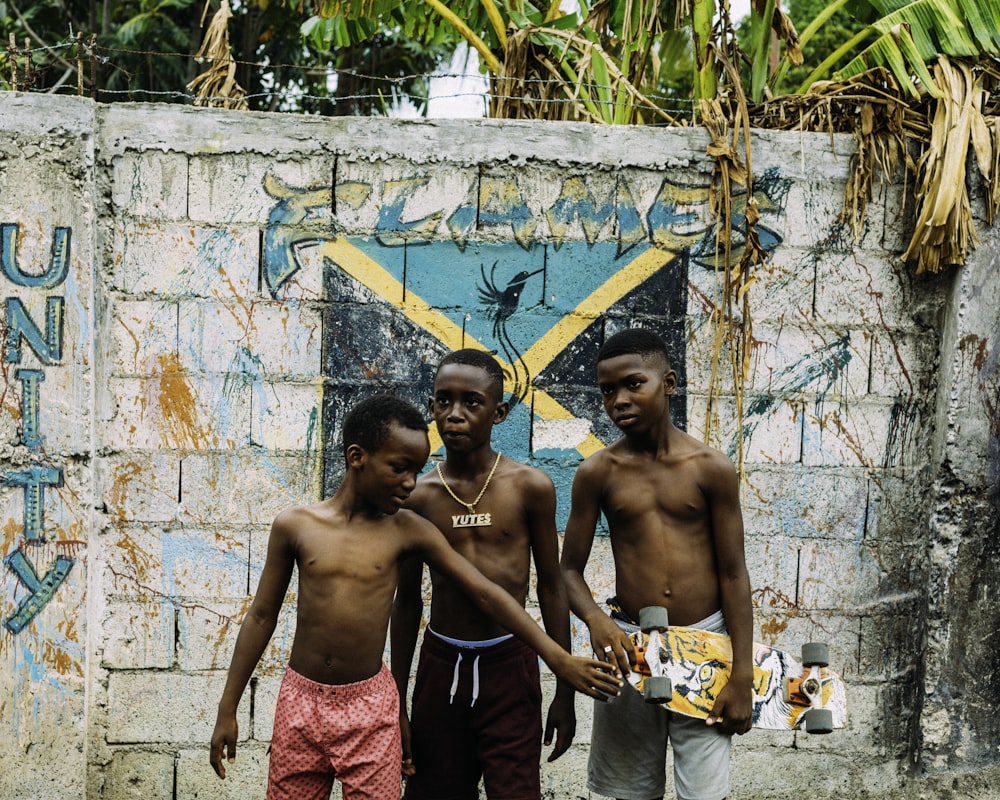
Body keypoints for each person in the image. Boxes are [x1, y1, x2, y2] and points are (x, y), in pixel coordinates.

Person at [209, 394, 620, 800]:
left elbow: (484, 592)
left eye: (417, 470)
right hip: (299, 703)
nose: (410, 483)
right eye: (400, 469)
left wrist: (557, 658)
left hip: (370, 707)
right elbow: (261, 616)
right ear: (357, 457)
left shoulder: (408, 529)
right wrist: (229, 706)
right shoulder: (295, 526)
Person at [560, 328, 753, 800]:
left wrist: (742, 674)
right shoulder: (597, 473)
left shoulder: (710, 467)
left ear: (668, 382)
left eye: (633, 384)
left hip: (707, 647)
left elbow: (733, 574)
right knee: (625, 792)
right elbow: (566, 571)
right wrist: (597, 621)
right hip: (629, 647)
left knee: (704, 793)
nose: (619, 400)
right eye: (607, 391)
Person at [390, 349, 578, 800]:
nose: (454, 414)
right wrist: (396, 699)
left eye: (471, 402)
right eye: (443, 401)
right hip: (441, 668)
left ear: (499, 412)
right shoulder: (418, 496)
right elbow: (408, 600)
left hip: (509, 667)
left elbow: (551, 586)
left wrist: (565, 694)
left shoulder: (529, 487)